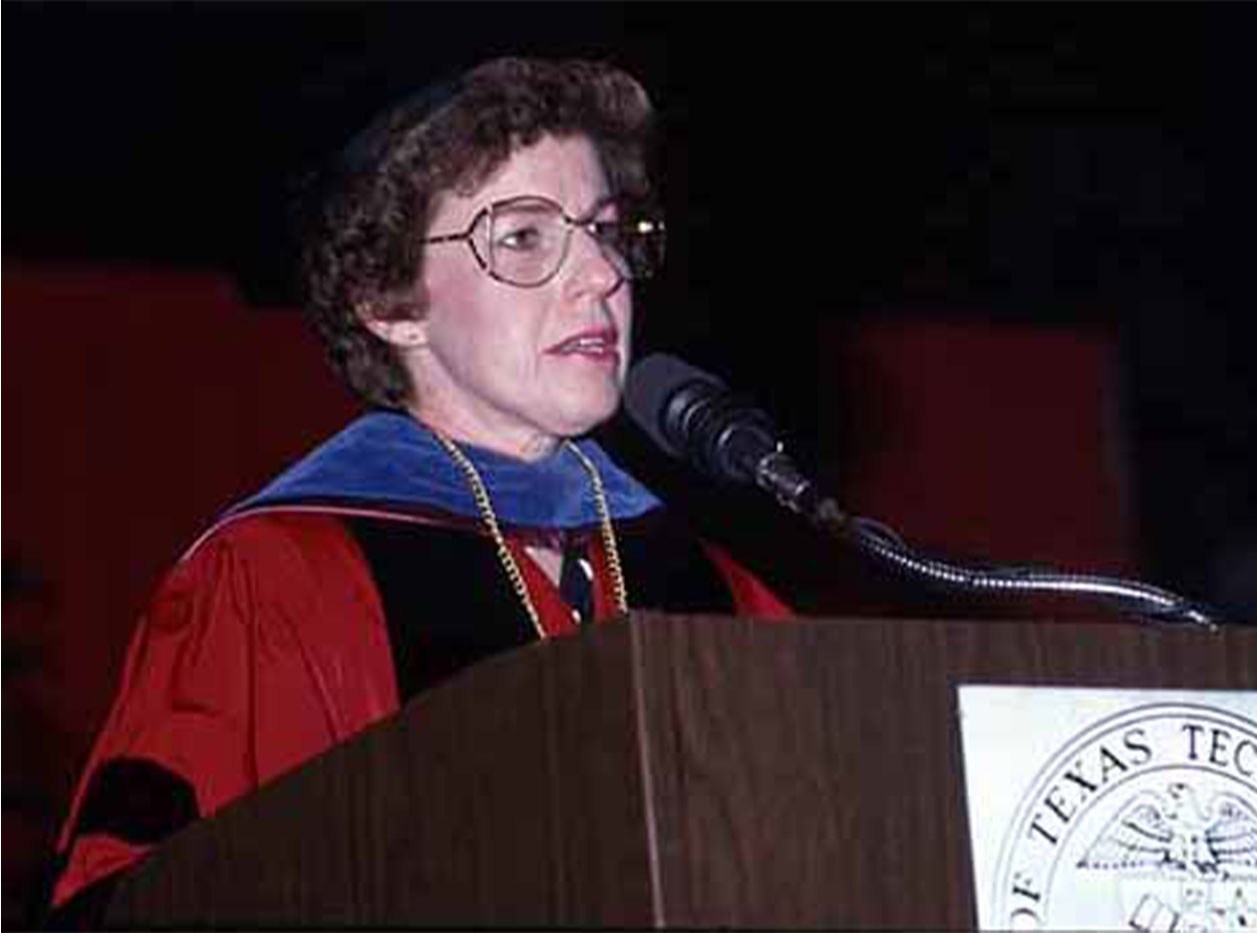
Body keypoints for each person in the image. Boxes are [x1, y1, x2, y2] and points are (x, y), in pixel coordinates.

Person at [47, 56, 792, 923]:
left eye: (607, 229)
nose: (603, 275)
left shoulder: (710, 585)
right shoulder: (277, 581)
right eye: (523, 237)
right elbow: (134, 897)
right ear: (390, 301)